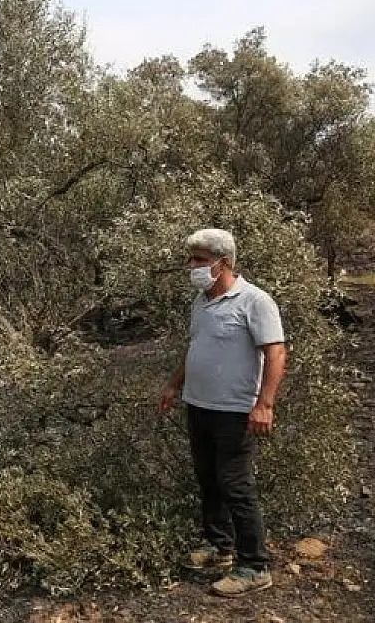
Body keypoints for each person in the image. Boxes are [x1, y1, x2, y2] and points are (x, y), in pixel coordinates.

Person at [159, 228, 286, 598]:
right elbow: (196, 347)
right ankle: (220, 548)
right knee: (208, 479)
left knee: (235, 484)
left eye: (199, 260)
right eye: (191, 259)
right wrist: (174, 385)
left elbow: (275, 353)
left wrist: (265, 404)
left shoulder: (255, 301)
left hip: (235, 410)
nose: (192, 266)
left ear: (224, 263)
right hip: (199, 404)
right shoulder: (201, 301)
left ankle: (255, 566)